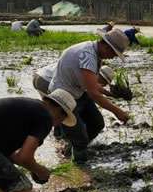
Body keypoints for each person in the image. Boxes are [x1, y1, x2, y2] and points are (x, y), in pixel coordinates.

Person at [47, 27, 130, 162]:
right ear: (107, 46)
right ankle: (79, 166)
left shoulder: (94, 52)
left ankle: (70, 149)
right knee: (79, 137)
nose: (114, 57)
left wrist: (110, 94)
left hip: (78, 92)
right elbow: (93, 93)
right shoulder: (88, 56)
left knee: (97, 123)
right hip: (63, 97)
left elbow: (92, 85)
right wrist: (117, 111)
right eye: (114, 53)